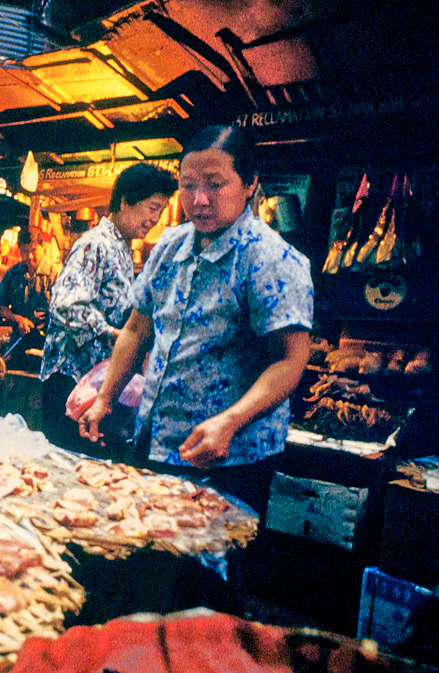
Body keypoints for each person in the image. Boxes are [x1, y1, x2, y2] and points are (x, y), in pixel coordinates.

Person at [79, 125, 313, 520]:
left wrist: (231, 422)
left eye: (215, 185)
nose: (199, 200)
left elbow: (290, 360)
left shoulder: (272, 259)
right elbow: (137, 330)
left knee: (210, 557)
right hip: (155, 443)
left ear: (250, 184)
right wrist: (105, 397)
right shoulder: (169, 246)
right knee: (143, 545)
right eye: (188, 186)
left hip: (228, 461)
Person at [40, 163, 177, 458]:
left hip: (94, 388)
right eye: (152, 207)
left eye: (161, 210)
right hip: (70, 384)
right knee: (66, 467)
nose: (155, 219)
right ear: (125, 201)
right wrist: (116, 335)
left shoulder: (123, 249)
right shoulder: (96, 243)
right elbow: (65, 305)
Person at [0, 228, 54, 370]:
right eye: (24, 252)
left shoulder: (53, 275)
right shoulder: (13, 274)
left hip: (46, 345)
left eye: (34, 251)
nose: (29, 257)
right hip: (19, 343)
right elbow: (0, 307)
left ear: (43, 248)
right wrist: (17, 319)